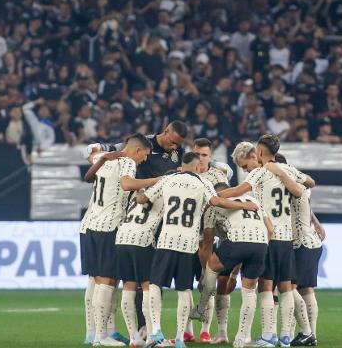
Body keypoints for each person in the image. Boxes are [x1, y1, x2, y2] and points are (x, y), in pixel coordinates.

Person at [137, 152, 259, 348]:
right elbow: (217, 202)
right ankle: (179, 339)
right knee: (184, 290)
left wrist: (138, 193)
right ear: (196, 166)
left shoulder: (168, 179)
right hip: (188, 244)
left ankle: (156, 331)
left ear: (182, 165)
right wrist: (247, 206)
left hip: (166, 241)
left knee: (154, 285)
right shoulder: (202, 183)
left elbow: (143, 199)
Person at [218, 134, 315, 348]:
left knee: (266, 287)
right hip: (287, 238)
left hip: (268, 236)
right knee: (287, 287)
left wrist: (213, 197)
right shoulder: (287, 170)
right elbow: (310, 183)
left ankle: (268, 336)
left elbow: (237, 191)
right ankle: (286, 337)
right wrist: (282, 172)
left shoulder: (259, 173)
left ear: (260, 152)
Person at [81, 134, 158, 347]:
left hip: (88, 223)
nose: (144, 160)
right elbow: (126, 184)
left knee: (96, 280)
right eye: (145, 155)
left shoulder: (105, 157)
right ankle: (100, 337)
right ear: (136, 150)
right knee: (107, 282)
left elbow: (91, 158)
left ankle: (92, 333)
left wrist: (100, 152)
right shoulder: (127, 162)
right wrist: (157, 180)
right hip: (108, 226)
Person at [191, 181, 273, 348]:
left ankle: (201, 306)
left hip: (237, 241)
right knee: (249, 292)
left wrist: (204, 275)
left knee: (211, 267)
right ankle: (241, 339)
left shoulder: (213, 207)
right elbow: (270, 229)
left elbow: (207, 245)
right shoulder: (254, 201)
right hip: (261, 244)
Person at [191, 138, 233, 343]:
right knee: (185, 284)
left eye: (204, 155)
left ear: (211, 157)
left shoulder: (218, 175)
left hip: (213, 236)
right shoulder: (184, 174)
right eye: (197, 154)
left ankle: (206, 329)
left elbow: (226, 204)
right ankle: (187, 329)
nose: (200, 158)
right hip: (187, 235)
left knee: (209, 283)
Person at [115, 189, 165, 347]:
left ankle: (134, 337)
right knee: (148, 287)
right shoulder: (166, 195)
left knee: (128, 287)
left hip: (122, 239)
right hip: (142, 241)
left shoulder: (137, 195)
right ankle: (152, 336)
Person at [289, 182, 325, 347]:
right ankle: (311, 335)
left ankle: (304, 333)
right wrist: (316, 222)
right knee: (305, 289)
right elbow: (305, 207)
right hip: (308, 243)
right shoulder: (300, 186)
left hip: (302, 244)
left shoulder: (286, 185)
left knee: (288, 288)